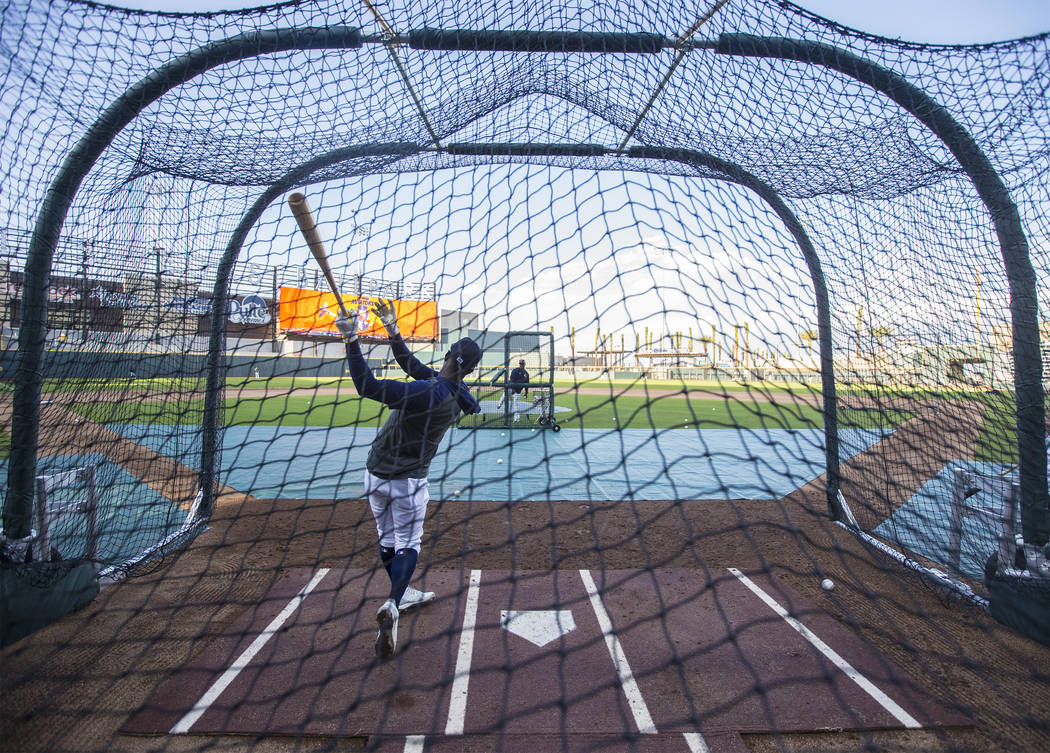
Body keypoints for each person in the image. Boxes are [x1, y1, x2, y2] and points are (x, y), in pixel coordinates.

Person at [337, 299, 481, 659]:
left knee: (388, 539)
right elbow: (411, 364)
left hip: (374, 475)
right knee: (409, 544)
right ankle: (394, 600)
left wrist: (351, 340)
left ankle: (398, 595)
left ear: (447, 353)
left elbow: (367, 386)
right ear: (471, 370)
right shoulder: (456, 394)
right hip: (409, 483)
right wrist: (392, 329)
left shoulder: (425, 391)